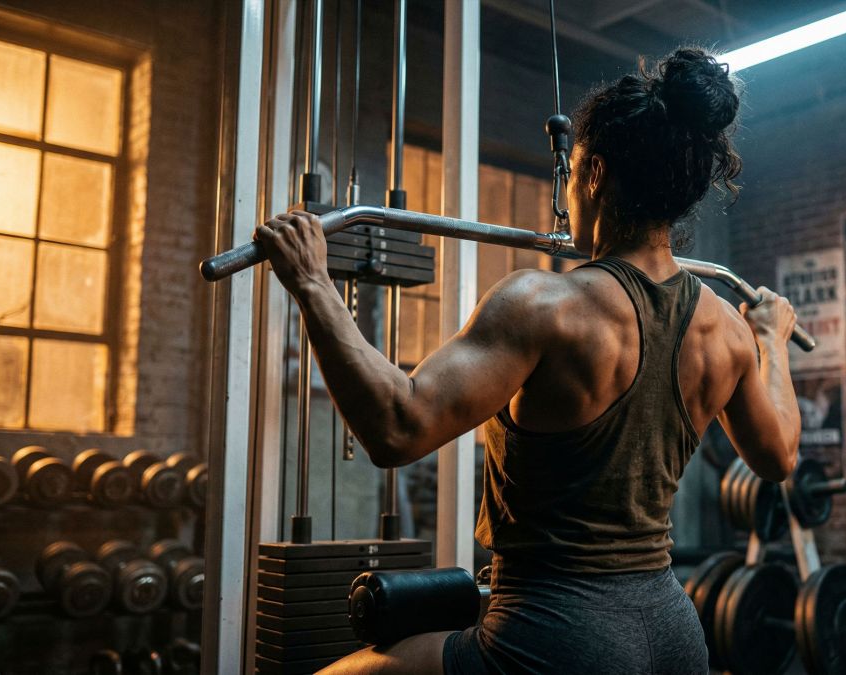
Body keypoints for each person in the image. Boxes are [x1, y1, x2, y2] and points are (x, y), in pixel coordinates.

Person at [257, 47, 800, 675]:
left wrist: (314, 285)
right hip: (674, 635)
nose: (568, 196)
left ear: (594, 174)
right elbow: (778, 455)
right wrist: (772, 343)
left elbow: (397, 427)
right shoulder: (727, 328)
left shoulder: (544, 305)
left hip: (554, 637)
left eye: (570, 174)